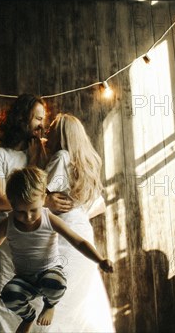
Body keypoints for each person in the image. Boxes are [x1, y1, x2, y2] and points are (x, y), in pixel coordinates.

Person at [0, 167, 113, 333]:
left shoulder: (48, 219)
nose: (28, 217)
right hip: (25, 279)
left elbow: (78, 241)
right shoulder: (8, 223)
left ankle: (50, 305)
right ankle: (28, 317)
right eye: (21, 212)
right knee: (8, 295)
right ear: (12, 204)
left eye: (33, 210)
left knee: (57, 283)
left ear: (44, 199)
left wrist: (100, 260)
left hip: (48, 271)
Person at [0, 94, 72, 333]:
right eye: (38, 118)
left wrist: (35, 161)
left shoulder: (42, 151)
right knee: (5, 293)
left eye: (44, 119)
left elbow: (50, 185)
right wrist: (44, 203)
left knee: (46, 292)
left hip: (40, 233)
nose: (42, 125)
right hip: (7, 233)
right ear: (23, 118)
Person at [42, 113, 116, 332]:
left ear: (62, 133)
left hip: (63, 233)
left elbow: (38, 195)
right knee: (80, 297)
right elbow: (95, 203)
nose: (47, 131)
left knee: (56, 299)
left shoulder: (62, 157)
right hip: (83, 230)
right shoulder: (87, 162)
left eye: (52, 128)